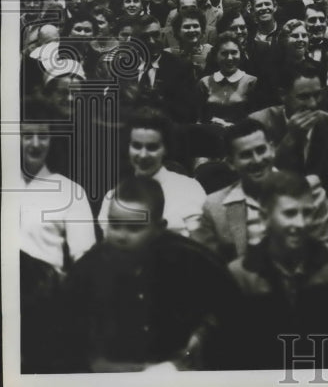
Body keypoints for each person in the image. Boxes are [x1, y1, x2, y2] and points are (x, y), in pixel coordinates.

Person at [61, 176, 239, 372]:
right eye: (114, 224)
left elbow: (230, 308)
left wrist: (201, 337)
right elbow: (69, 345)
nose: (121, 236)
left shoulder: (192, 260)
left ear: (159, 228)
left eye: (134, 228)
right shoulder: (86, 271)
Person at [225, 171, 328, 370]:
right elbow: (232, 359)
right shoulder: (242, 275)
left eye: (307, 213)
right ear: (265, 217)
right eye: (290, 213)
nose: (300, 223)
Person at [19, 100, 98, 373]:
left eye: (44, 135)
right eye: (27, 135)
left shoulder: (69, 191)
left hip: (42, 305)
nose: (36, 143)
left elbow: (85, 260)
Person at [191, 119, 328, 262]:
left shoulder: (309, 191)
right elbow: (210, 268)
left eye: (261, 150)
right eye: (246, 155)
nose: (257, 160)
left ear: (272, 149)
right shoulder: (214, 207)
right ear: (231, 163)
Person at [249, 67, 328, 229]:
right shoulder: (260, 124)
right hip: (270, 222)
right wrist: (290, 139)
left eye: (317, 95)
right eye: (303, 97)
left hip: (322, 223)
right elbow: (257, 183)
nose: (313, 104)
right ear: (283, 95)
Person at [98, 110, 207, 238]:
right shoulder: (114, 196)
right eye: (136, 146)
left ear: (165, 149)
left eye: (152, 147)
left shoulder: (189, 189)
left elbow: (200, 247)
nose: (143, 155)